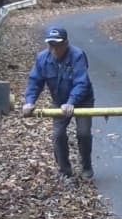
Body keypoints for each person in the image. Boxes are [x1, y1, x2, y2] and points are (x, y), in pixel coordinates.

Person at [22, 26, 96, 180]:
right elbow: (35, 81)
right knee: (58, 135)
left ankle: (87, 166)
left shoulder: (77, 55)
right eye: (51, 45)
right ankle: (64, 170)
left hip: (82, 100)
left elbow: (81, 82)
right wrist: (29, 101)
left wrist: (71, 102)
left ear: (66, 43)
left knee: (83, 133)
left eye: (58, 45)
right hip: (59, 101)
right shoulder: (42, 58)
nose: (54, 49)